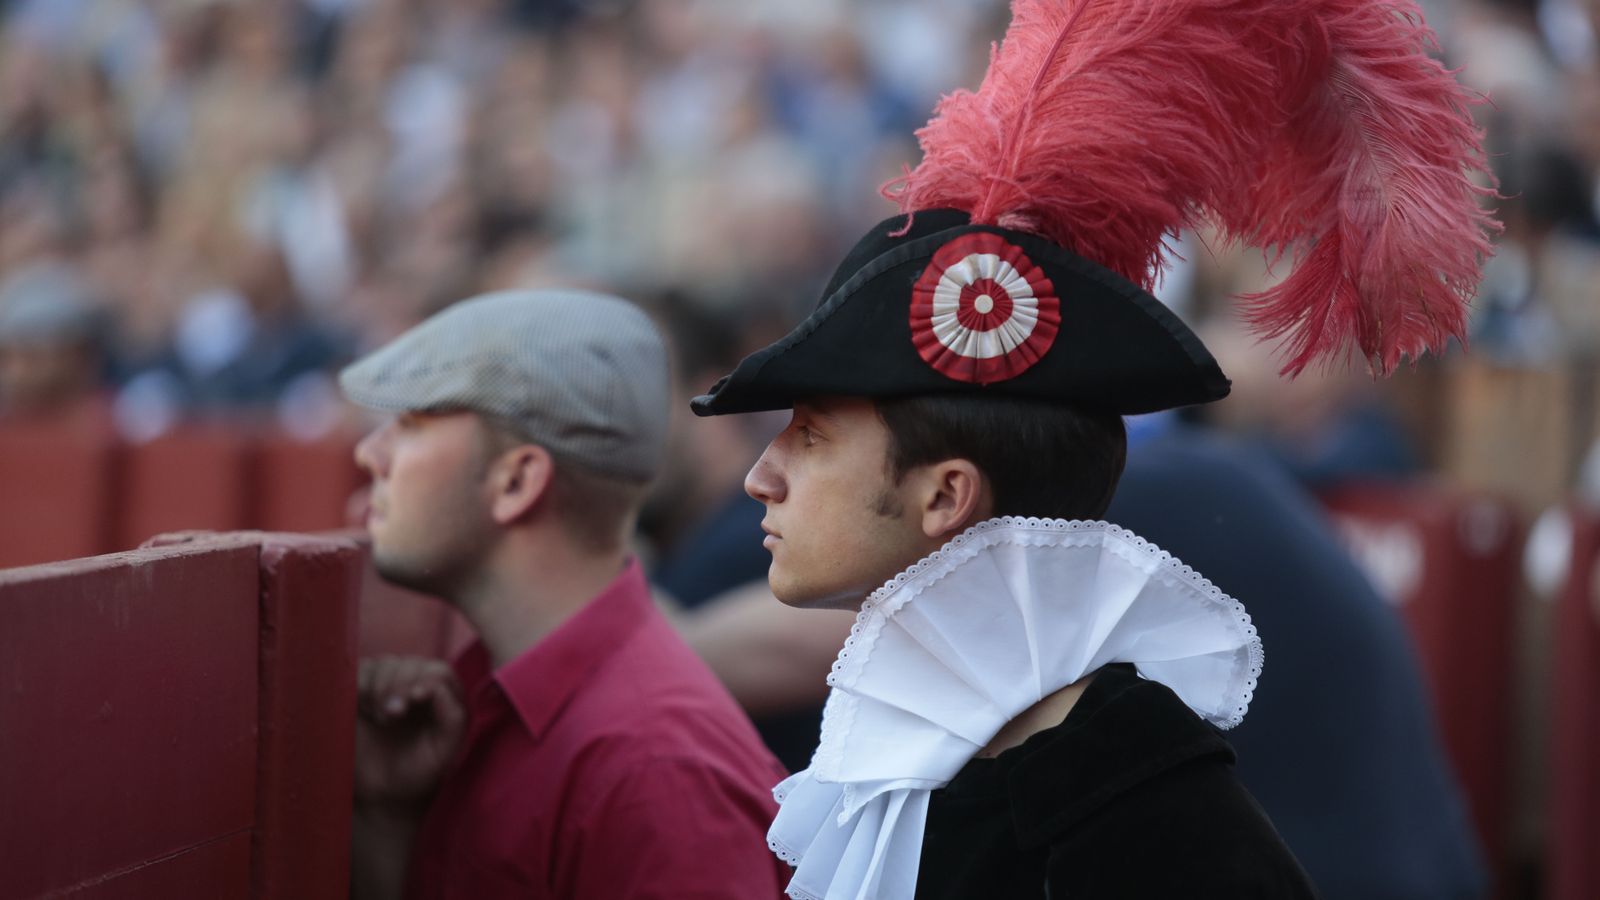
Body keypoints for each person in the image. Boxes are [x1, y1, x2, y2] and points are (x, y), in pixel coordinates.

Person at [687, 0, 1494, 896]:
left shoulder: (1131, 805)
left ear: (947, 496)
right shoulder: (949, 764)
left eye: (809, 436)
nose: (763, 474)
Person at [340, 289, 789, 900]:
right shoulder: (498, 705)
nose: (371, 453)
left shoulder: (658, 772)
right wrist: (390, 825)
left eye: (412, 423)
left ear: (518, 481)